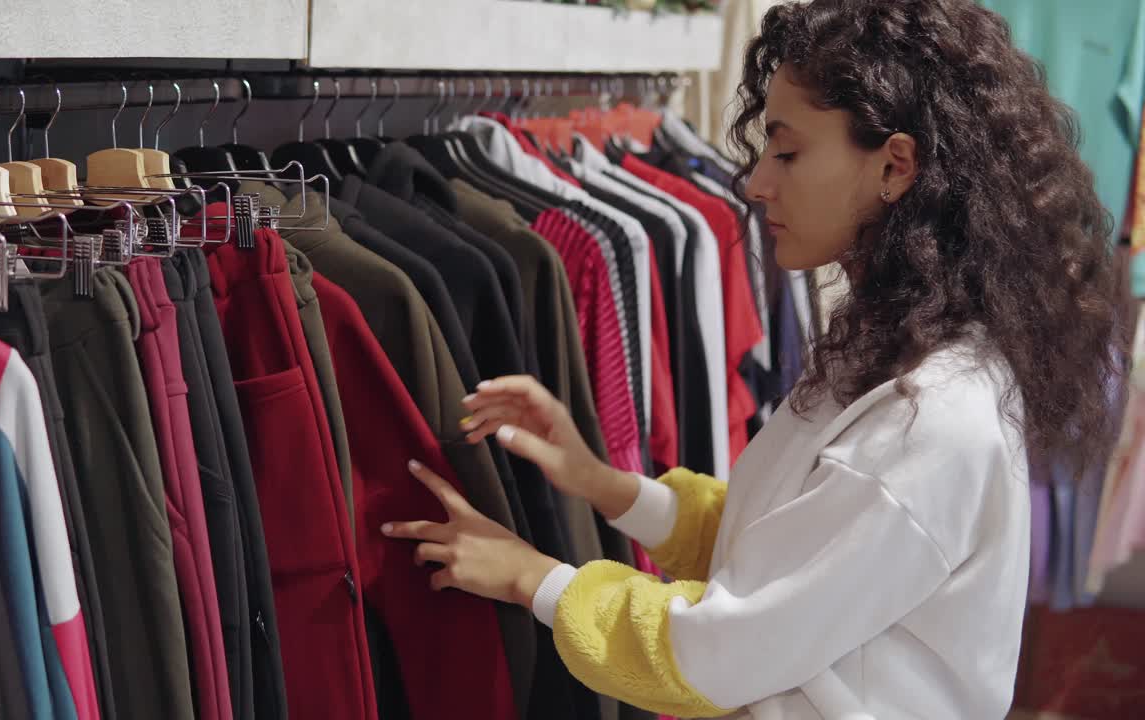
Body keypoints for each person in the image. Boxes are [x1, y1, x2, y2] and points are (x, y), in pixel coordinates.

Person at [381, 0, 1125, 717]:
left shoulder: (926, 418)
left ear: (896, 166)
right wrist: (605, 485)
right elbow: (776, 551)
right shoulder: (896, 345)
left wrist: (532, 578)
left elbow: (720, 651)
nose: (754, 181)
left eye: (789, 150)